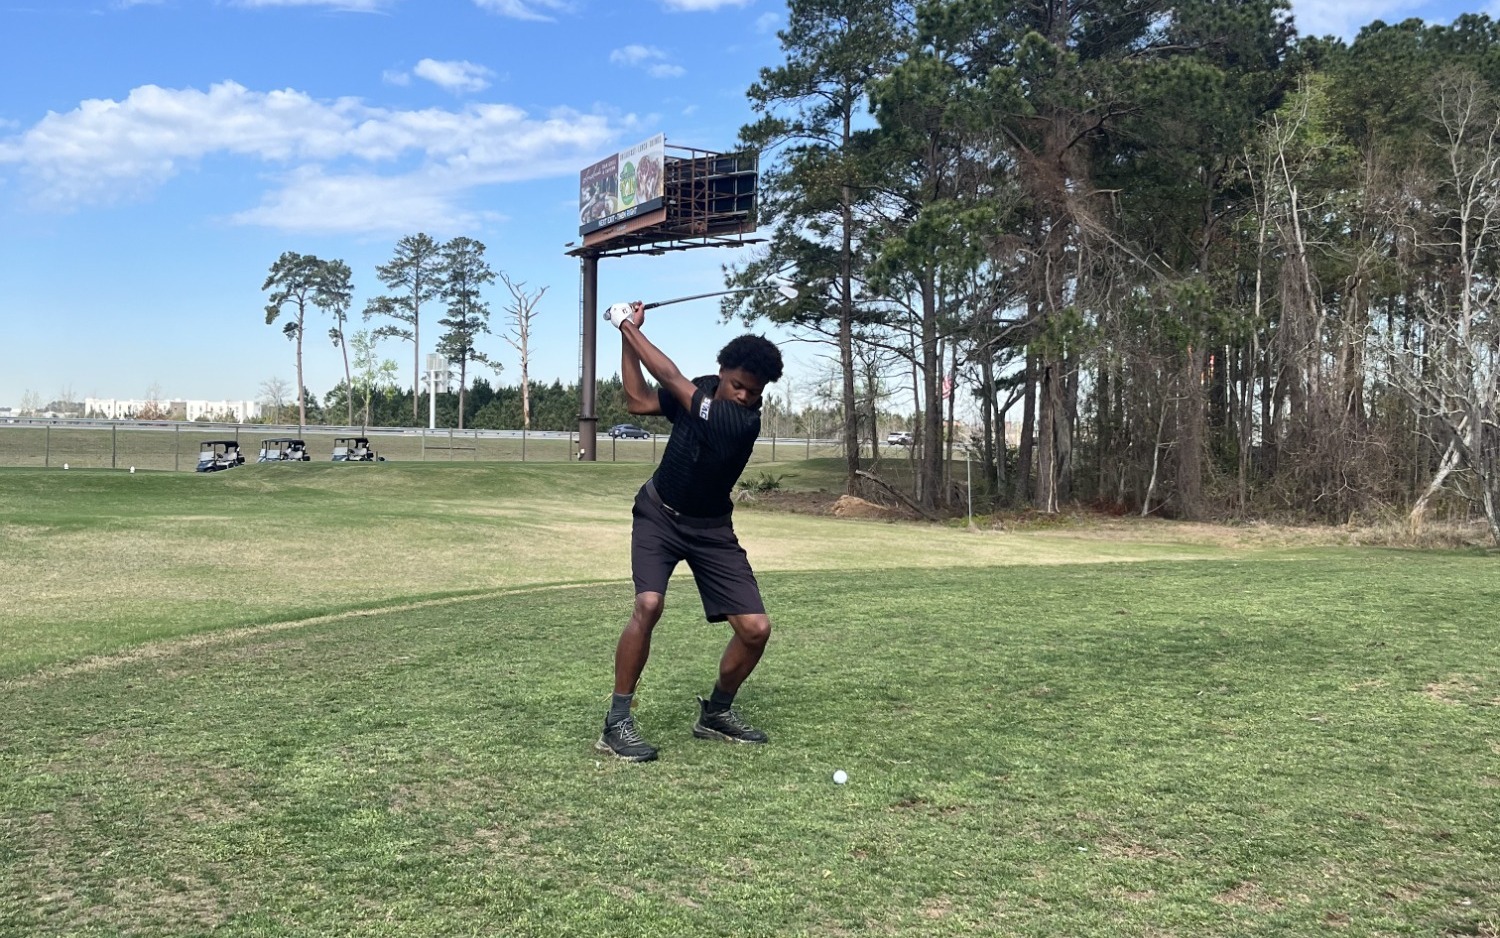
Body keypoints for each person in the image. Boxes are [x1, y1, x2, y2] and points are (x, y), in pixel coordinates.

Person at [596, 300, 784, 763]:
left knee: (756, 629)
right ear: (722, 372)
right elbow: (638, 400)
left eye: (754, 392)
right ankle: (617, 721)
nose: (744, 396)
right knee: (648, 603)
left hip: (712, 529)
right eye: (738, 385)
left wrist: (622, 322)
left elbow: (669, 374)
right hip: (659, 514)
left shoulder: (738, 422)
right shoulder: (701, 390)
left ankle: (716, 713)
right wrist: (628, 337)